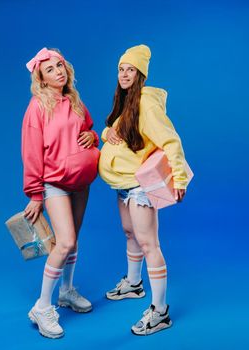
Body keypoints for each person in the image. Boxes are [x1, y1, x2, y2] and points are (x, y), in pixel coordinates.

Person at [98, 44, 189, 336]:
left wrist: (180, 178)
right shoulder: (126, 102)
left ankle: (160, 311)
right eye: (121, 69)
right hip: (122, 184)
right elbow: (115, 130)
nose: (124, 74)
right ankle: (134, 285)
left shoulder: (146, 104)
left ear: (141, 74)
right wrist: (105, 132)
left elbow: (170, 140)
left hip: (138, 187)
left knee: (149, 244)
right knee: (130, 233)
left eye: (130, 70)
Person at [21, 47, 100, 339]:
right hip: (55, 182)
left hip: (81, 181)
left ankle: (66, 290)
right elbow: (31, 152)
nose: (59, 71)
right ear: (40, 78)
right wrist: (35, 194)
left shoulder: (75, 101)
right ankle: (42, 306)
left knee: (73, 239)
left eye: (61, 66)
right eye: (51, 69)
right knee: (63, 242)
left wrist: (92, 136)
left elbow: (90, 129)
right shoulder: (38, 107)